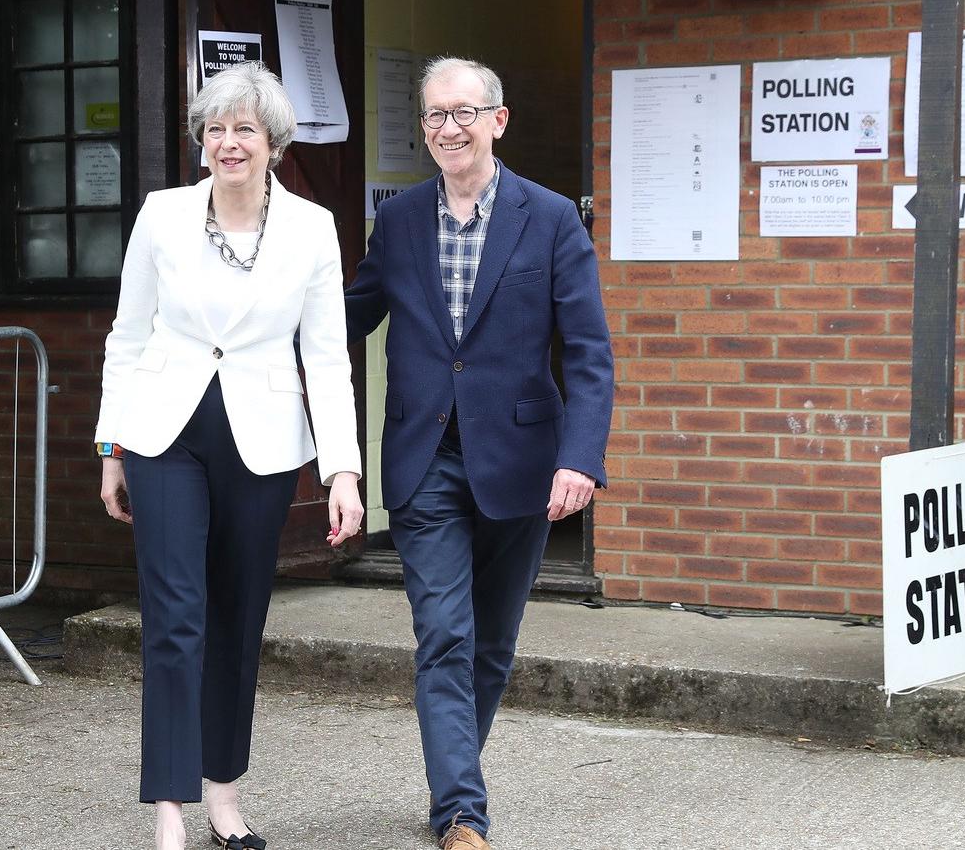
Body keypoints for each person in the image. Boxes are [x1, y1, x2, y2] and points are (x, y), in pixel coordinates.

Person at [344, 57, 614, 850]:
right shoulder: (396, 222)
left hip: (524, 464)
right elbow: (347, 321)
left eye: (464, 112)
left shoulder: (552, 217)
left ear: (498, 119)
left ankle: (452, 775)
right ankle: (462, 813)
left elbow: (590, 353)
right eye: (434, 115)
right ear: (423, 128)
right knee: (445, 637)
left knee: (491, 647)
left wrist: (580, 457)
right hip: (425, 461)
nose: (449, 128)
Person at [95, 61, 364, 850]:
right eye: (214, 128)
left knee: (238, 618)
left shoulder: (312, 228)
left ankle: (224, 791)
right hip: (163, 435)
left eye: (244, 128)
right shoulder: (162, 215)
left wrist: (342, 469)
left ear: (273, 142)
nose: (227, 142)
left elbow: (327, 358)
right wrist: (111, 444)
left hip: (265, 439)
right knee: (175, 618)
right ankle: (170, 808)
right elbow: (127, 335)